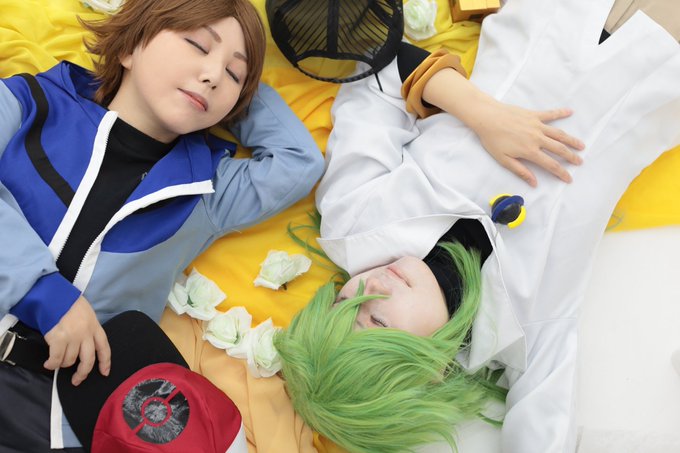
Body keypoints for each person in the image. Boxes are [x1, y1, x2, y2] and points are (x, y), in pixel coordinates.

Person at [272, 0, 680, 451]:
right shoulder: (526, 332)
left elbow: (378, 72)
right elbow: (543, 435)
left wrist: (485, 116)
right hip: (665, 62)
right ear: (433, 369)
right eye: (379, 320)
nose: (372, 287)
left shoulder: (353, 217)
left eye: (345, 300)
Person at [0, 0, 324, 450]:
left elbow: (300, 162)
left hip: (66, 421)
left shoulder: (208, 190)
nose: (213, 75)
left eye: (234, 74)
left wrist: (238, 96)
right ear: (130, 46)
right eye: (198, 45)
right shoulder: (29, 100)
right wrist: (44, 292)